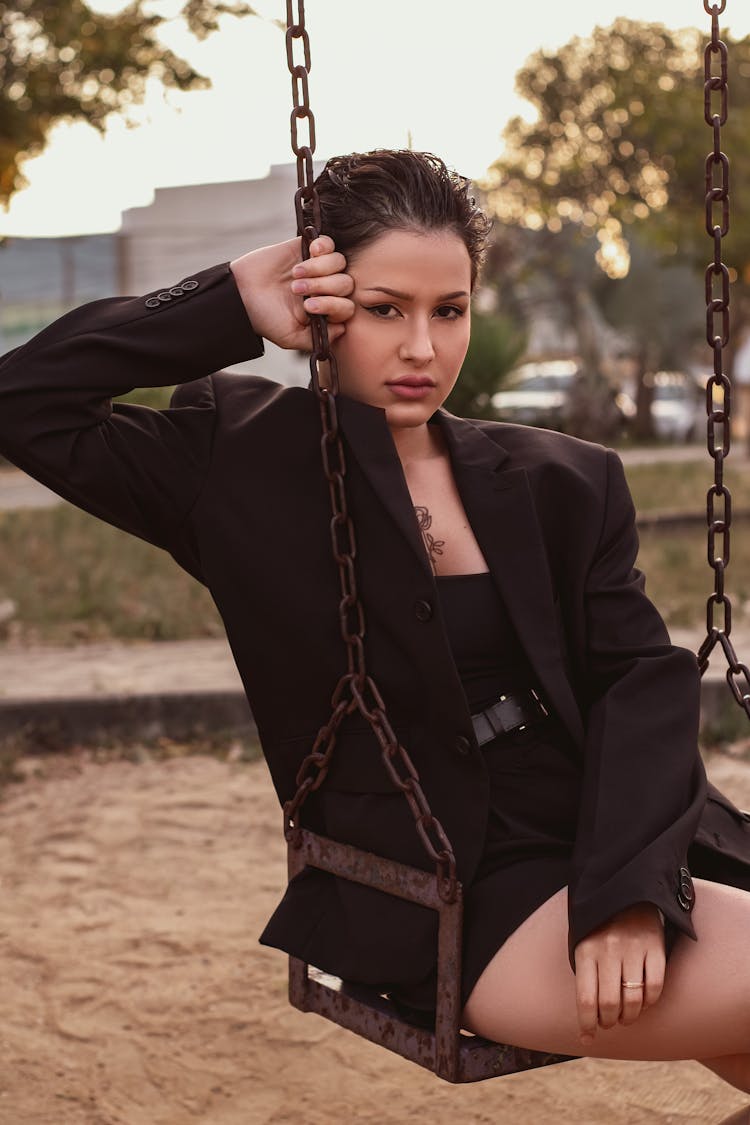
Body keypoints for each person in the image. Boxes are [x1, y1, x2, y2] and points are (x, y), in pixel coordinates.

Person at [2, 149, 750, 1104]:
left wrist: (631, 896)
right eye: (386, 308)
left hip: (628, 834)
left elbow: (640, 680)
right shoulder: (237, 461)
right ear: (321, 299)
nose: (422, 350)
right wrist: (229, 302)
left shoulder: (566, 479)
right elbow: (23, 402)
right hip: (454, 885)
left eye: (450, 311)